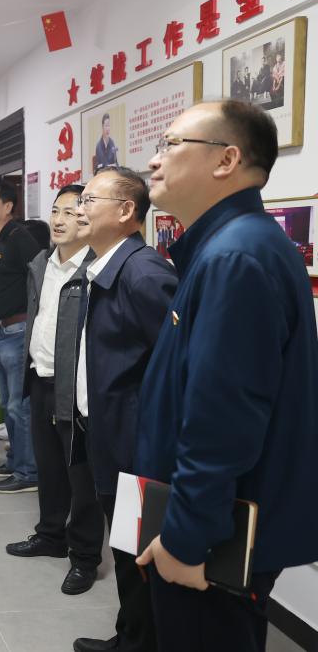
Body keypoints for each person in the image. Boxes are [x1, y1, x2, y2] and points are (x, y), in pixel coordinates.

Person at [135, 100, 318, 652]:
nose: (154, 160)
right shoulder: (231, 245)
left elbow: (224, 418)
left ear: (227, 160)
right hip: (210, 520)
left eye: (171, 145)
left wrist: (186, 539)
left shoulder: (235, 257)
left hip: (214, 535)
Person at [71, 166, 177, 652]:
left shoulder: (143, 273)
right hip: (112, 436)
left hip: (138, 446)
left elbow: (175, 368)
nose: (79, 210)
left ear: (126, 210)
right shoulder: (108, 265)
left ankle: (139, 642)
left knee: (140, 555)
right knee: (127, 549)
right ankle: (130, 637)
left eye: (89, 201)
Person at [5, 184, 104, 597]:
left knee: (81, 477)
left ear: (88, 218)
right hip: (40, 378)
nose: (60, 220)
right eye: (56, 211)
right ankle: (50, 534)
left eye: (71, 212)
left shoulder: (96, 268)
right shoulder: (41, 263)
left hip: (75, 388)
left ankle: (84, 557)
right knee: (48, 468)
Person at [0, 178, 42, 494]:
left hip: (16, 332)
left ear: (8, 206)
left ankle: (29, 472)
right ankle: (15, 460)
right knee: (6, 404)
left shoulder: (19, 237)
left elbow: (40, 274)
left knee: (19, 406)